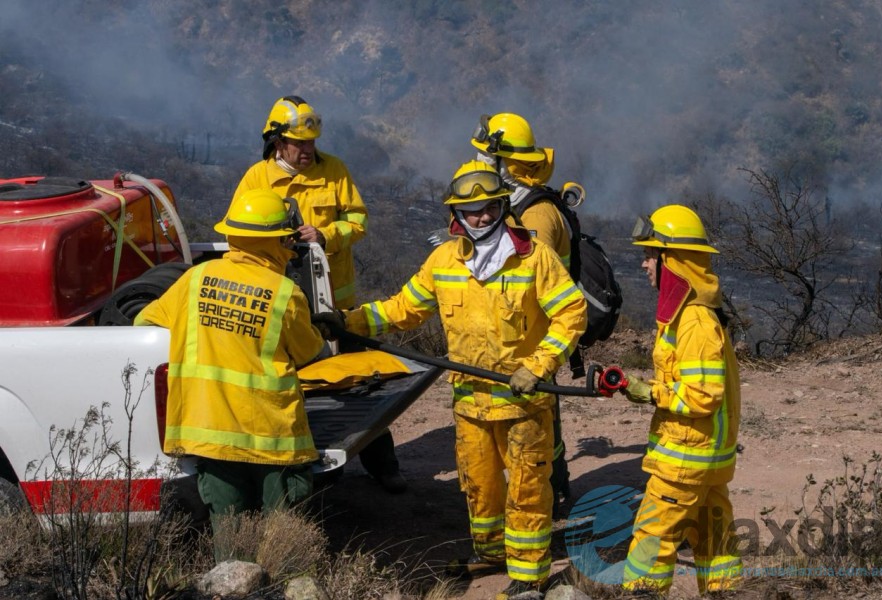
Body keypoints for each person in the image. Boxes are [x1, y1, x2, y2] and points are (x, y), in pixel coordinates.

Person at [317, 160, 587, 600]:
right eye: (471, 211)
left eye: (489, 208)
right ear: (456, 215)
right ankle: (492, 553)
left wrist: (539, 365)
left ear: (503, 207)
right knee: (479, 485)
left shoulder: (534, 257)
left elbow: (571, 313)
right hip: (470, 402)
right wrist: (348, 321)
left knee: (526, 488)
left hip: (522, 402)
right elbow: (403, 308)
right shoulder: (445, 260)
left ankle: (530, 574)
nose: (481, 217)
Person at [134, 189, 326, 554]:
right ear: (273, 242)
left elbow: (145, 322)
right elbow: (310, 352)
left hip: (211, 434)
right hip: (272, 438)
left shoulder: (195, 279)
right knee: (282, 540)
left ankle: (231, 583)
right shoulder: (284, 293)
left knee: (230, 539)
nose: (290, 245)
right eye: (286, 238)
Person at [233, 95, 404, 493]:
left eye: (311, 142)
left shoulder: (334, 171)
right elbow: (238, 233)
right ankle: (313, 469)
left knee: (359, 382)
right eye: (299, 143)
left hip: (337, 306)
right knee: (297, 387)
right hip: (282, 306)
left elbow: (358, 220)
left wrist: (326, 235)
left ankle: (384, 465)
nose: (308, 150)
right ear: (278, 142)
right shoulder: (256, 179)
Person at [615, 204, 742, 595]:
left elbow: (703, 396)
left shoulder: (694, 322)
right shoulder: (691, 313)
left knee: (653, 537)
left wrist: (651, 392)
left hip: (686, 458)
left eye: (650, 255)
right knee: (714, 541)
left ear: (672, 261)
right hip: (706, 458)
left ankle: (641, 593)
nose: (644, 264)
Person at [471, 112, 576, 512]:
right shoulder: (511, 203)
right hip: (511, 335)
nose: (480, 163)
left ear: (505, 162)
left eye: (486, 158)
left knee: (541, 423)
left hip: (535, 339)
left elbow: (534, 279)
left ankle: (553, 493)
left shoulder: (535, 214)